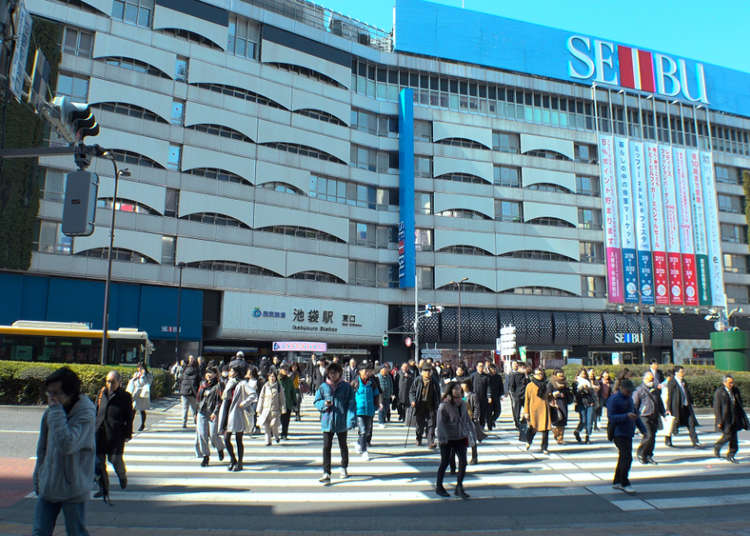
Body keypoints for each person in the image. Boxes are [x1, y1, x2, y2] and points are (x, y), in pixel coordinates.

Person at [32, 367, 96, 536]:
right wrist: (39, 474)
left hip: (73, 485)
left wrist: (56, 411)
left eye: (56, 393)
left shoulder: (85, 414)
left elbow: (67, 444)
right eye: (49, 393)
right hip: (49, 482)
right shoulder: (51, 413)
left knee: (76, 531)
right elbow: (43, 448)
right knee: (39, 531)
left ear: (70, 393)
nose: (51, 398)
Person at [314, 362, 356, 483]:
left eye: (335, 373)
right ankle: (326, 472)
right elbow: (317, 401)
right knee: (326, 447)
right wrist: (323, 405)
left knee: (343, 445)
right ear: (328, 373)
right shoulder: (323, 387)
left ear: (340, 373)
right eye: (331, 373)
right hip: (327, 421)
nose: (333, 375)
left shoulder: (346, 387)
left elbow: (351, 403)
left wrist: (350, 419)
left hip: (341, 420)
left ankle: (344, 467)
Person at [94, 371, 134, 496]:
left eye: (112, 382)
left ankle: (122, 476)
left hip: (116, 435)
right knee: (99, 463)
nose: (109, 384)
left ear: (119, 382)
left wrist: (128, 434)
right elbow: (95, 411)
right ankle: (103, 488)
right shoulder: (101, 394)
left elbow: (129, 417)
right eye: (108, 381)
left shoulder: (125, 396)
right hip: (100, 434)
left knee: (115, 460)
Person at [607, 378, 646, 494]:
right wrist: (626, 416)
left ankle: (617, 481)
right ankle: (624, 482)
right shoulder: (614, 399)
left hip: (628, 431)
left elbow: (635, 415)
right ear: (622, 389)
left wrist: (643, 430)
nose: (630, 393)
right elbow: (611, 417)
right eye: (628, 391)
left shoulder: (629, 399)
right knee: (626, 457)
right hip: (618, 432)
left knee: (623, 457)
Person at [435, 381, 471, 499]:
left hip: (461, 436)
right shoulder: (444, 405)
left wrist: (471, 433)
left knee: (463, 462)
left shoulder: (463, 403)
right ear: (450, 390)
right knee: (445, 462)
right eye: (455, 389)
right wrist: (442, 438)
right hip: (447, 438)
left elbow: (466, 420)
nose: (458, 390)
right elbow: (440, 424)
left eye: (459, 388)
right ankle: (439, 486)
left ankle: (459, 486)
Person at [218, 364, 255, 471]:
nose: (229, 372)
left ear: (237, 373)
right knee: (226, 438)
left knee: (239, 439)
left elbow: (253, 395)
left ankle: (240, 462)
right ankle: (233, 459)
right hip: (227, 412)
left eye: (232, 371)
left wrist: (244, 403)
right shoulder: (229, 382)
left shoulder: (242, 383)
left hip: (237, 413)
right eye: (229, 371)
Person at [713, 374, 750, 463]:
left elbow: (739, 403)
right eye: (729, 383)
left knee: (734, 438)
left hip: (735, 417)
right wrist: (719, 420)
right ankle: (718, 445)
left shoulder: (735, 390)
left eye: (732, 382)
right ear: (724, 382)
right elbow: (717, 407)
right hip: (725, 418)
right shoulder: (719, 392)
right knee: (728, 436)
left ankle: (731, 455)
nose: (731, 384)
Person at [632, 371, 665, 465]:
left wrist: (664, 413)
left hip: (654, 415)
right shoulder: (639, 390)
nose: (652, 381)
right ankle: (641, 453)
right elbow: (634, 404)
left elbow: (659, 402)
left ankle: (649, 455)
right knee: (648, 435)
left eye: (653, 379)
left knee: (653, 437)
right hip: (643, 416)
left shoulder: (655, 390)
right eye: (650, 379)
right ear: (644, 379)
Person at [195, 366, 225, 467]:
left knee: (213, 435)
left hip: (213, 413)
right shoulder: (202, 384)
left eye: (211, 373)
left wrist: (215, 412)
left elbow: (220, 400)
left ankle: (220, 448)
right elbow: (198, 399)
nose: (209, 375)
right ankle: (205, 456)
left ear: (215, 374)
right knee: (202, 435)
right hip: (202, 412)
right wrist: (196, 412)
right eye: (207, 372)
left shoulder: (219, 385)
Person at [664, 366, 701, 448]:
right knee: (673, 424)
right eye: (681, 372)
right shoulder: (672, 382)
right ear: (676, 373)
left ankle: (695, 442)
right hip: (676, 407)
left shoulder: (684, 381)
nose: (683, 373)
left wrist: (691, 401)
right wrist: (668, 408)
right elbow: (669, 396)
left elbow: (687, 392)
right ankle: (668, 439)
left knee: (691, 424)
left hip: (686, 406)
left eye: (683, 372)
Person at [353, 361, 382, 460]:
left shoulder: (372, 382)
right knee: (363, 431)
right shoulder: (355, 382)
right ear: (360, 372)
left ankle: (358, 443)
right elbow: (350, 396)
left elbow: (376, 394)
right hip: (359, 411)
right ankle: (364, 451)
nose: (367, 373)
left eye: (368, 371)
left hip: (370, 410)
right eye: (365, 371)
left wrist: (378, 404)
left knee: (367, 431)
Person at [409, 363, 441, 448]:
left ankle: (430, 442)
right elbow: (412, 391)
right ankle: (418, 438)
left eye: (429, 370)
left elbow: (438, 393)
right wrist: (412, 401)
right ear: (422, 372)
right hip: (420, 405)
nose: (427, 372)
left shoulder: (434, 381)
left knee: (431, 424)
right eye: (425, 370)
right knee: (420, 424)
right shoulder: (418, 380)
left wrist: (439, 403)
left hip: (431, 405)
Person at [524, 368, 551, 454]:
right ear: (534, 375)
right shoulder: (530, 386)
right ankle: (528, 441)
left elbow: (549, 397)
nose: (540, 375)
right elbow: (527, 400)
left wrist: (552, 395)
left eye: (541, 374)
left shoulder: (546, 385)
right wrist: (526, 412)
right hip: (534, 410)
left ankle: (544, 447)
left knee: (545, 430)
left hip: (545, 409)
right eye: (538, 374)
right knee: (533, 428)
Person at [257, 371, 286, 446]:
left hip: (275, 410)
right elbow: (261, 398)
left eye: (273, 376)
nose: (272, 378)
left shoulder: (279, 387)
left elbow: (282, 398)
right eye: (270, 376)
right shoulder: (265, 386)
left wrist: (283, 408)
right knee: (266, 426)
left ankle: (276, 436)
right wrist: (259, 408)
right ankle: (268, 441)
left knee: (274, 425)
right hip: (266, 410)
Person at [461, 379, 485, 464]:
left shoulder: (473, 395)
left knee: (472, 439)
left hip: (470, 420)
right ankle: (462, 458)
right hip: (461, 421)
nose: (462, 386)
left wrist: (475, 417)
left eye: (463, 384)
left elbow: (477, 407)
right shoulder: (460, 395)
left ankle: (474, 457)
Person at [548, 369, 573, 445]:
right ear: (555, 375)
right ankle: (556, 433)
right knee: (556, 421)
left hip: (563, 403)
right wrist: (553, 394)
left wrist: (566, 395)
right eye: (559, 374)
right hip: (555, 404)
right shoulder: (551, 383)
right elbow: (547, 393)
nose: (561, 375)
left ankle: (560, 438)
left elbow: (569, 393)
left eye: (562, 373)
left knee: (563, 422)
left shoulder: (565, 383)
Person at [126, 362, 152, 431]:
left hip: (142, 393)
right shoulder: (136, 374)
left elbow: (147, 383)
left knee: (142, 410)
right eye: (138, 367)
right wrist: (134, 378)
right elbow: (132, 383)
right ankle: (130, 426)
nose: (139, 369)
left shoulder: (148, 375)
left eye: (141, 367)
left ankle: (142, 424)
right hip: (136, 393)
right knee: (133, 410)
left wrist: (143, 376)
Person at [573, 369, 597, 444]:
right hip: (581, 403)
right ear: (578, 374)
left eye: (585, 374)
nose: (584, 375)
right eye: (582, 374)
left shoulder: (588, 382)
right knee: (583, 420)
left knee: (589, 421)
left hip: (590, 403)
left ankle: (588, 436)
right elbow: (575, 394)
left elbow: (592, 393)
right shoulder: (576, 383)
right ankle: (577, 431)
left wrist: (588, 389)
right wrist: (581, 388)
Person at [180, 355, 201, 428]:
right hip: (192, 392)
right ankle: (196, 422)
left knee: (184, 408)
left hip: (184, 392)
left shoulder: (185, 370)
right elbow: (198, 383)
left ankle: (183, 423)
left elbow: (181, 380)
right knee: (194, 409)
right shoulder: (196, 372)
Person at [507, 361, 528, 431]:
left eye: (525, 368)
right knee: (517, 412)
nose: (524, 369)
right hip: (517, 396)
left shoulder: (525, 376)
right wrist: (514, 395)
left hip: (525, 396)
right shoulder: (513, 375)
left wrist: (526, 375)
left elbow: (529, 384)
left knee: (527, 411)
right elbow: (511, 386)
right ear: (519, 368)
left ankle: (523, 422)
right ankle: (517, 423)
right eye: (523, 368)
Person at [278, 365, 296, 440]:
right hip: (278, 403)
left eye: (287, 369)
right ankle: (273, 432)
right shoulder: (277, 380)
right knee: (278, 419)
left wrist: (294, 401)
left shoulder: (289, 380)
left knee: (286, 420)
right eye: (284, 369)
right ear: (280, 370)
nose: (286, 371)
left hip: (287, 403)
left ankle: (284, 433)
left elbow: (293, 391)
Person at [471, 362, 491, 430]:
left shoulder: (486, 376)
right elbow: (469, 384)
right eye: (479, 366)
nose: (481, 368)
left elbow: (489, 387)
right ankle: (474, 426)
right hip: (474, 397)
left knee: (483, 413)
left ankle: (482, 426)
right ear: (476, 367)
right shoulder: (473, 375)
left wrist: (489, 396)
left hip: (483, 397)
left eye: (482, 366)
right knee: (475, 412)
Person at [487, 363, 504, 430]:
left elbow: (501, 386)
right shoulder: (487, 377)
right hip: (489, 397)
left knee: (498, 411)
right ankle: (489, 425)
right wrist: (488, 396)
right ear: (489, 369)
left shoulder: (498, 377)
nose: (494, 370)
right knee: (489, 412)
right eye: (492, 369)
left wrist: (501, 394)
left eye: (494, 369)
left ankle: (492, 420)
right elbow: (487, 387)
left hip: (496, 396)